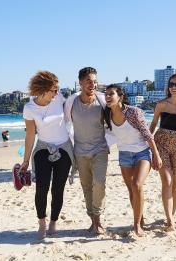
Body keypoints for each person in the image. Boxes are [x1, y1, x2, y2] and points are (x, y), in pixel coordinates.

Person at [19, 71, 76, 239]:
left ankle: (53, 222)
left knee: (58, 189)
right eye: (53, 90)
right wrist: (25, 160)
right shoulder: (29, 108)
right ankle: (42, 223)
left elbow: (74, 113)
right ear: (42, 89)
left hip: (64, 148)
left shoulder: (59, 99)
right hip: (43, 148)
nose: (57, 93)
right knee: (41, 188)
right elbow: (30, 134)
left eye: (57, 89)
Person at [104, 84, 162, 236]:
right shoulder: (106, 115)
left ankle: (136, 225)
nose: (108, 97)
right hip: (124, 155)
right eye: (106, 94)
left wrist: (156, 155)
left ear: (120, 97)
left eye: (111, 94)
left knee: (137, 184)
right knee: (131, 190)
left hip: (142, 153)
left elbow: (147, 134)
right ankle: (140, 219)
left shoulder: (133, 112)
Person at [63, 67, 112, 235]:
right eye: (89, 81)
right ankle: (94, 221)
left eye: (95, 81)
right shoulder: (71, 102)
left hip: (100, 149)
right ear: (80, 83)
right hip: (80, 152)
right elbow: (64, 124)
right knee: (86, 187)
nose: (93, 84)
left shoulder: (102, 102)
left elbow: (113, 122)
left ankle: (97, 218)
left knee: (99, 183)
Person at [149, 73, 176, 231]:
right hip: (161, 142)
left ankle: (171, 215)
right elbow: (153, 123)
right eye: (171, 84)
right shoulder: (161, 104)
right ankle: (170, 221)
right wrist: (148, 141)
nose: (174, 87)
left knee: (174, 185)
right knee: (166, 181)